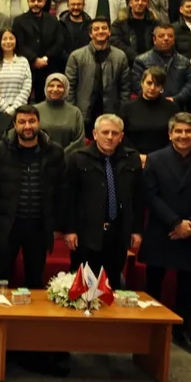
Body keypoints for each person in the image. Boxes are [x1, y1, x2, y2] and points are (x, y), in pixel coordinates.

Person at [139, 112, 191, 356]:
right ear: (170, 134)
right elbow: (150, 196)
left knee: (187, 286)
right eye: (178, 131)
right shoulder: (155, 159)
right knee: (153, 283)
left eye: (188, 131)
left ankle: (183, 333)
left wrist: (190, 225)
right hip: (162, 230)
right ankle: (149, 330)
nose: (183, 136)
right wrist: (175, 223)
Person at [62, 114, 142, 287]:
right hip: (86, 234)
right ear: (95, 134)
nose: (110, 137)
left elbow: (137, 198)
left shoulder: (132, 158)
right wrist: (69, 230)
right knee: (82, 287)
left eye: (115, 133)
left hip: (118, 234)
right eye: (105, 132)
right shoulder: (77, 158)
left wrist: (136, 230)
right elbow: (69, 197)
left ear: (121, 136)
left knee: (111, 286)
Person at [0, 104, 64, 290]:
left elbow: (61, 189)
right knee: (1, 277)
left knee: (35, 279)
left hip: (39, 225)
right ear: (15, 125)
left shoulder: (54, 151)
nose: (27, 126)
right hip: (9, 224)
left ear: (39, 123)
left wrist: (57, 225)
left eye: (32, 121)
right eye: (22, 122)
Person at [65, 17, 130, 127]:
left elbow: (125, 88)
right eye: (96, 29)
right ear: (90, 34)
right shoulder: (76, 56)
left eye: (104, 28)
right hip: (83, 113)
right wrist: (72, 113)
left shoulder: (120, 56)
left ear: (109, 32)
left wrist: (121, 112)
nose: (100, 31)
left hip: (111, 113)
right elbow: (69, 88)